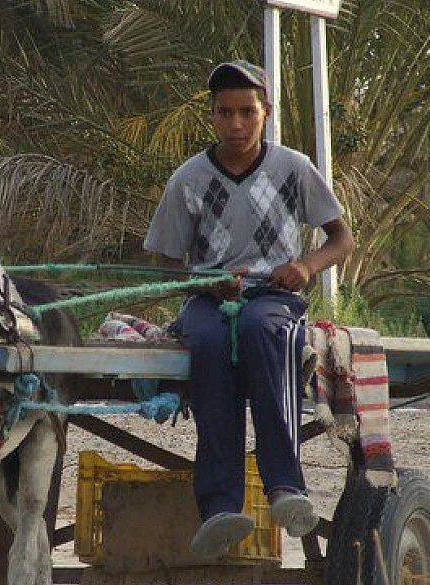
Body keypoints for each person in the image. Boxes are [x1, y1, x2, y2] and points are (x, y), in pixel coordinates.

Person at [143, 60, 354, 557]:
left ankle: (286, 486)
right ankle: (220, 507)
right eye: (225, 113)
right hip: (208, 301)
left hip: (274, 298)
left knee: (263, 330)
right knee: (209, 343)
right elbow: (167, 262)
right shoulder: (188, 178)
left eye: (247, 112)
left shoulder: (294, 168)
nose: (236, 124)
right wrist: (205, 282)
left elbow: (341, 239)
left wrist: (304, 266)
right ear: (212, 115)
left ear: (266, 113)